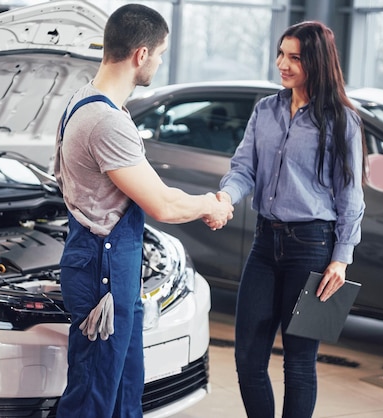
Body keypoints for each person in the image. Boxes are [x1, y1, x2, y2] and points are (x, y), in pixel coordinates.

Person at [52, 4, 233, 418]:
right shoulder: (105, 121)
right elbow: (163, 204)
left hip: (111, 268)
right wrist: (211, 204)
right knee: (93, 399)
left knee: (123, 390)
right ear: (141, 55)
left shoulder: (84, 102)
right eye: (162, 53)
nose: (161, 61)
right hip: (103, 272)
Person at [216, 21, 366, 418]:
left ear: (316, 61)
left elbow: (351, 194)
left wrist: (342, 256)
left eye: (294, 57)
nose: (282, 64)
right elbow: (243, 169)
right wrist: (224, 199)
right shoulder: (265, 110)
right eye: (281, 53)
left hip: (314, 247)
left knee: (299, 363)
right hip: (265, 244)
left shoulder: (342, 121)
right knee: (248, 359)